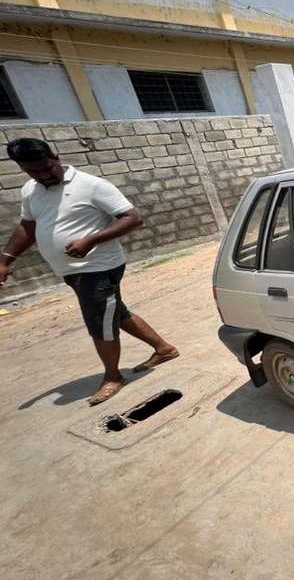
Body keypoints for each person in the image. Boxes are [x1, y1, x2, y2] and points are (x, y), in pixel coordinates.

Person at [0, 138, 178, 405]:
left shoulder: (91, 185)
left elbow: (132, 218)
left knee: (99, 322)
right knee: (114, 313)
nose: (43, 174)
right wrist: (5, 260)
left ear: (56, 158)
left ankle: (113, 376)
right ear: (24, 170)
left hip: (98, 267)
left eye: (47, 167)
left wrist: (91, 240)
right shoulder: (30, 190)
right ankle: (164, 349)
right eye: (34, 171)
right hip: (70, 270)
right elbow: (28, 227)